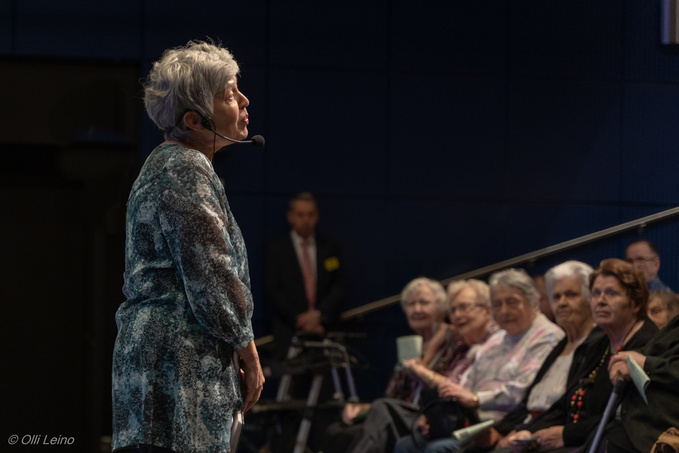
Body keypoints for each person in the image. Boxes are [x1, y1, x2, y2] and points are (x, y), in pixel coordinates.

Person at [112, 40, 265, 453]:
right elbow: (212, 277)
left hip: (160, 361)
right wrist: (248, 352)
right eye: (230, 94)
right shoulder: (185, 167)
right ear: (195, 120)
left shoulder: (168, 164)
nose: (245, 100)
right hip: (177, 367)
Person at [395, 268, 565, 453]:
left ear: (533, 302)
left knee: (437, 449)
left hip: (509, 425)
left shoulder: (547, 337)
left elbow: (523, 392)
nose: (504, 311)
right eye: (498, 304)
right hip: (471, 424)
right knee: (406, 445)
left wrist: (476, 399)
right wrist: (435, 415)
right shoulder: (496, 340)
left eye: (512, 302)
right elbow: (463, 386)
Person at [503, 258, 658, 453]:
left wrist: (567, 434)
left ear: (635, 303)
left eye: (611, 293)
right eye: (596, 293)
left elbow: (625, 415)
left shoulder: (649, 344)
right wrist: (528, 431)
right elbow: (564, 403)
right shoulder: (598, 343)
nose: (601, 301)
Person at [322, 277, 455, 453]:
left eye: (424, 303)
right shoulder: (410, 346)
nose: (417, 309)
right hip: (401, 415)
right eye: (411, 304)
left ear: (441, 308)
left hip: (430, 418)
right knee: (337, 430)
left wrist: (431, 351)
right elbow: (391, 399)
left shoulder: (453, 342)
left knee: (378, 417)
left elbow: (447, 388)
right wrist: (362, 408)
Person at [265, 192, 345, 358]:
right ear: (290, 217)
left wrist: (319, 315)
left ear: (317, 216)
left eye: (310, 215)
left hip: (324, 329)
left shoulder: (330, 248)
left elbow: (339, 285)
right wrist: (301, 320)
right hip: (289, 332)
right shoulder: (276, 250)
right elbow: (275, 291)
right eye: (300, 215)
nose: (306, 220)